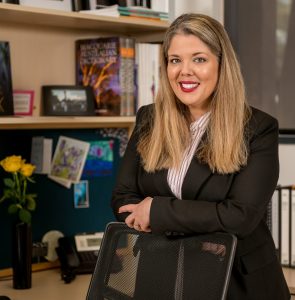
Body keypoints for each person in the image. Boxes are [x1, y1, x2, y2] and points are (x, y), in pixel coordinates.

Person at [111, 13, 290, 300]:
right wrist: (202, 227)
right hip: (160, 273)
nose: (184, 71)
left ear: (222, 64)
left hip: (236, 282)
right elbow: (123, 198)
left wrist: (158, 212)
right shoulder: (149, 118)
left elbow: (240, 216)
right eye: (175, 60)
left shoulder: (257, 128)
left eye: (199, 59)